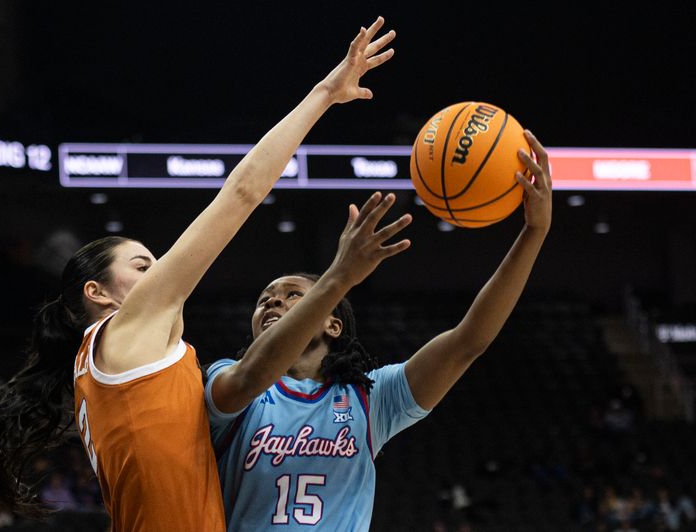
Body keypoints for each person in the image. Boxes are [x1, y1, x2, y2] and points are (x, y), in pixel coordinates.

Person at [0, 16, 397, 531]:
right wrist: (324, 93)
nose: (159, 274)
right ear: (99, 293)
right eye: (142, 265)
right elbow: (241, 193)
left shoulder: (96, 370)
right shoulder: (125, 330)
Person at [205, 130, 552, 530]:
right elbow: (251, 375)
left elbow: (468, 341)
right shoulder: (226, 378)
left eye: (293, 295)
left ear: (333, 324)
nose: (272, 301)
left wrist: (534, 233)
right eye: (265, 297)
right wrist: (338, 277)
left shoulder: (371, 399)